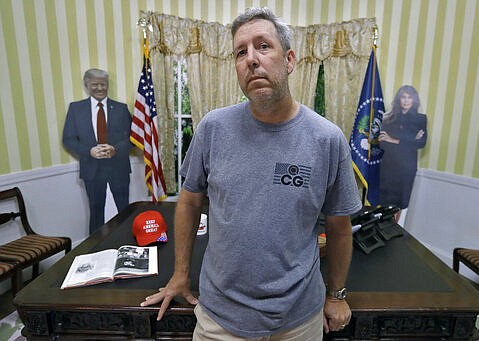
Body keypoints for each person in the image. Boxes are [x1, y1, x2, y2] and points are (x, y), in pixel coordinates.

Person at [140, 7, 362, 340]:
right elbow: (187, 203)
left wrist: (336, 293)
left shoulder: (327, 139)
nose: (251, 59)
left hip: (299, 319)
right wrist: (180, 274)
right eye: (240, 52)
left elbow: (339, 228)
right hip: (220, 319)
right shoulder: (213, 128)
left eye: (263, 46)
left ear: (289, 60)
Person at [63, 68, 133, 234]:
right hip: (92, 170)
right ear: (86, 85)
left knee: (124, 210)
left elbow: (133, 139)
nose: (100, 88)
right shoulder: (76, 109)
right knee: (96, 213)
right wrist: (89, 151)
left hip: (119, 169)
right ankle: (95, 249)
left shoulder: (121, 108)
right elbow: (68, 139)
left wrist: (116, 149)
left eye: (104, 84)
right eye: (95, 85)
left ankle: (127, 242)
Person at [378, 85, 427, 221]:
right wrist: (410, 139)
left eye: (409, 97)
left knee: (400, 204)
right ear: (398, 100)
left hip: (406, 168)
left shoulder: (420, 119)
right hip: (388, 166)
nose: (406, 101)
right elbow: (382, 143)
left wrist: (393, 140)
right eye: (403, 97)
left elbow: (421, 143)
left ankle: (393, 230)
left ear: (414, 100)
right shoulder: (388, 118)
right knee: (384, 203)